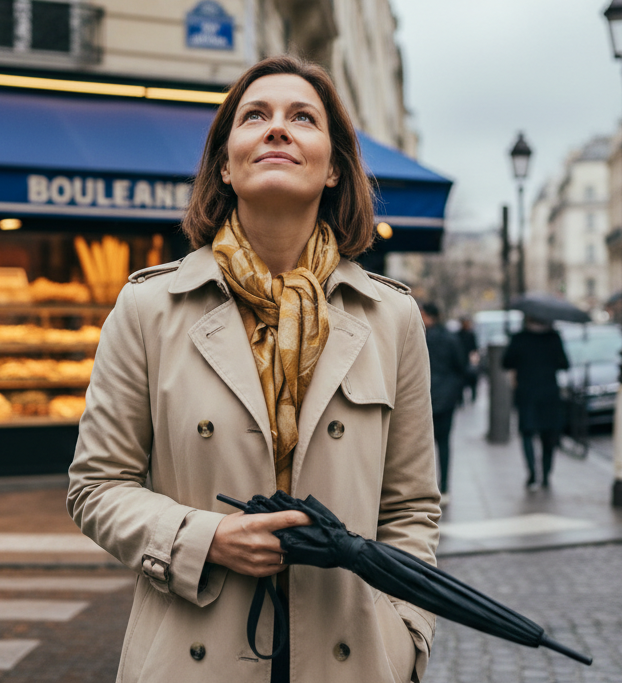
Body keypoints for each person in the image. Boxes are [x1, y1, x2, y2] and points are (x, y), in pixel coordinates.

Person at [68, 54, 440, 683]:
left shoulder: (391, 317)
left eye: (303, 117)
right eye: (255, 116)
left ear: (333, 169)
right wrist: (205, 539)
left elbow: (411, 508)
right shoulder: (149, 307)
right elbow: (96, 488)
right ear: (225, 163)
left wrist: (406, 634)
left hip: (352, 655)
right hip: (192, 653)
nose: (277, 128)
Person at [501, 315, 570, 489]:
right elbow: (564, 363)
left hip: (526, 392)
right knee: (549, 434)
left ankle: (532, 472)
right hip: (548, 392)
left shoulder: (519, 338)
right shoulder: (553, 337)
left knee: (527, 432)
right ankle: (546, 474)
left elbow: (506, 362)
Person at [421, 303, 467, 498]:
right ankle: (445, 484)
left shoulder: (420, 337)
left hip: (423, 397)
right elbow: (461, 366)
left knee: (422, 444)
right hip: (446, 397)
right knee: (444, 442)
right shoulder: (450, 338)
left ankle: (425, 485)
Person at [456, 316, 479, 404]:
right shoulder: (459, 335)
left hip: (468, 359)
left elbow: (474, 348)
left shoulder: (471, 334)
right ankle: (461, 399)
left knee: (472, 379)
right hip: (462, 360)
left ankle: (472, 396)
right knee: (462, 381)